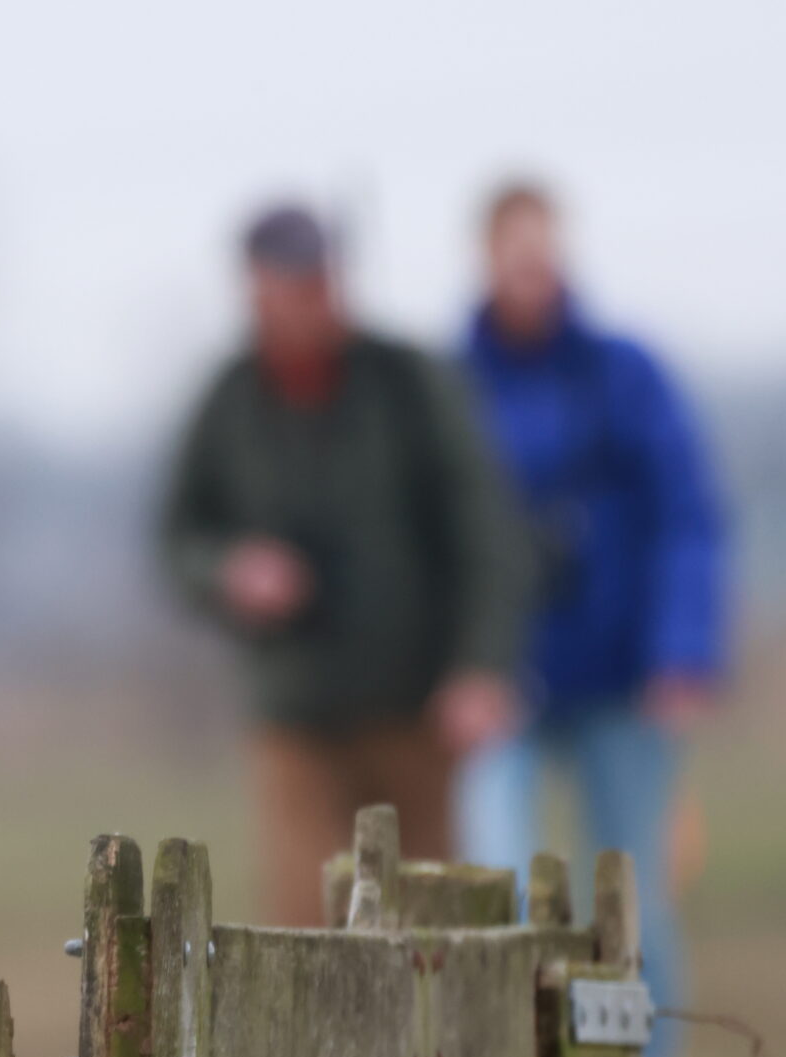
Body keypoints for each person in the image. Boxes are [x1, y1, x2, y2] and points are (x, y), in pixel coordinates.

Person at [160, 203, 535, 925]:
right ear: (256, 290)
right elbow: (176, 536)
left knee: (430, 930)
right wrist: (232, 571)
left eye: (322, 281)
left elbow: (487, 527)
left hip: (418, 715)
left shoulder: (407, 383)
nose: (313, 302)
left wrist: (482, 665)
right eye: (294, 285)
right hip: (296, 716)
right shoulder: (231, 399)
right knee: (309, 933)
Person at [456, 179, 730, 1057]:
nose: (531, 273)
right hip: (507, 685)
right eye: (513, 255)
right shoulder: (454, 384)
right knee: (498, 889)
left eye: (544, 252)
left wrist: (682, 652)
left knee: (636, 897)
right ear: (486, 260)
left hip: (622, 676)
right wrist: (461, 665)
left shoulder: (625, 375)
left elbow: (686, 518)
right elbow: (439, 534)